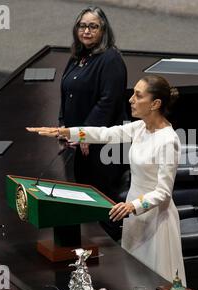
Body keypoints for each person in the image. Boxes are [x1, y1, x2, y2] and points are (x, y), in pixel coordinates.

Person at [27, 75, 186, 285]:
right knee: (134, 278)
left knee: (155, 283)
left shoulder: (168, 140)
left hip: (155, 219)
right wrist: (64, 131)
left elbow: (164, 191)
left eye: (138, 96)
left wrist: (133, 206)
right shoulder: (140, 128)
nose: (131, 100)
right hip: (133, 213)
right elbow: (105, 134)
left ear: (155, 104)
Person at [59, 6, 128, 198]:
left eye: (93, 26)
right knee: (87, 196)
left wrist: (86, 132)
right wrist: (63, 124)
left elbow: (108, 101)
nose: (86, 31)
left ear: (103, 31)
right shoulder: (78, 56)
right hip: (82, 141)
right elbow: (66, 91)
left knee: (105, 200)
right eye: (82, 26)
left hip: (104, 145)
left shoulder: (110, 59)